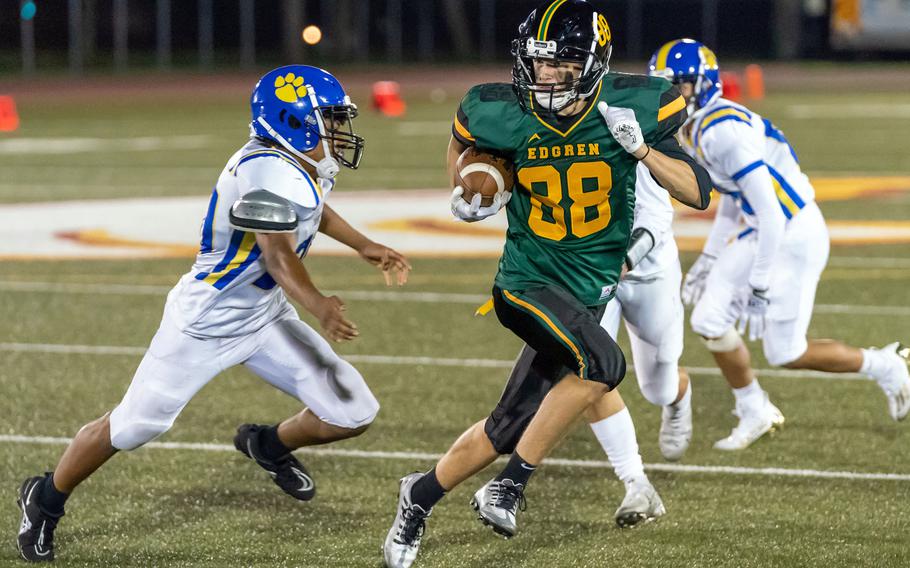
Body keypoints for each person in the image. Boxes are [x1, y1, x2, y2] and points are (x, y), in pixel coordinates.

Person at [15, 65, 411, 563]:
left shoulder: (298, 163)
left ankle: (265, 444)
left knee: (353, 411)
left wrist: (365, 245)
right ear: (295, 123)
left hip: (263, 315)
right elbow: (277, 253)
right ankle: (45, 499)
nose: (338, 130)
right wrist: (319, 305)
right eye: (328, 119)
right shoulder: (265, 170)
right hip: (206, 321)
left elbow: (315, 210)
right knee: (135, 426)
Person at [382, 3, 712, 567]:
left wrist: (641, 150)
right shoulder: (497, 109)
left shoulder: (635, 104)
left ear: (592, 63)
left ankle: (419, 496)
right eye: (538, 62)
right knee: (605, 367)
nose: (545, 75)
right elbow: (461, 142)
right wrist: (464, 189)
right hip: (526, 283)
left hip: (588, 291)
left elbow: (698, 190)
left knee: (505, 426)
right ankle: (510, 487)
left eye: (561, 63)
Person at [649, 39, 910, 450]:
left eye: (677, 86)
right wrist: (708, 259)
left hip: (792, 232)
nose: (669, 96)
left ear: (701, 84)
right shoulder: (700, 126)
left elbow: (770, 212)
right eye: (663, 86)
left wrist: (759, 284)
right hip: (768, 229)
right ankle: (754, 408)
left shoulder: (721, 132)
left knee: (786, 351)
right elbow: (737, 201)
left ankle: (884, 365)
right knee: (708, 320)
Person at [584, 161, 694, 528]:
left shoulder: (623, 128)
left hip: (648, 272)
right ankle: (636, 482)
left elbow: (658, 213)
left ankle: (678, 395)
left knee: (658, 389)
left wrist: (625, 258)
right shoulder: (553, 129)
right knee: (587, 371)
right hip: (588, 272)